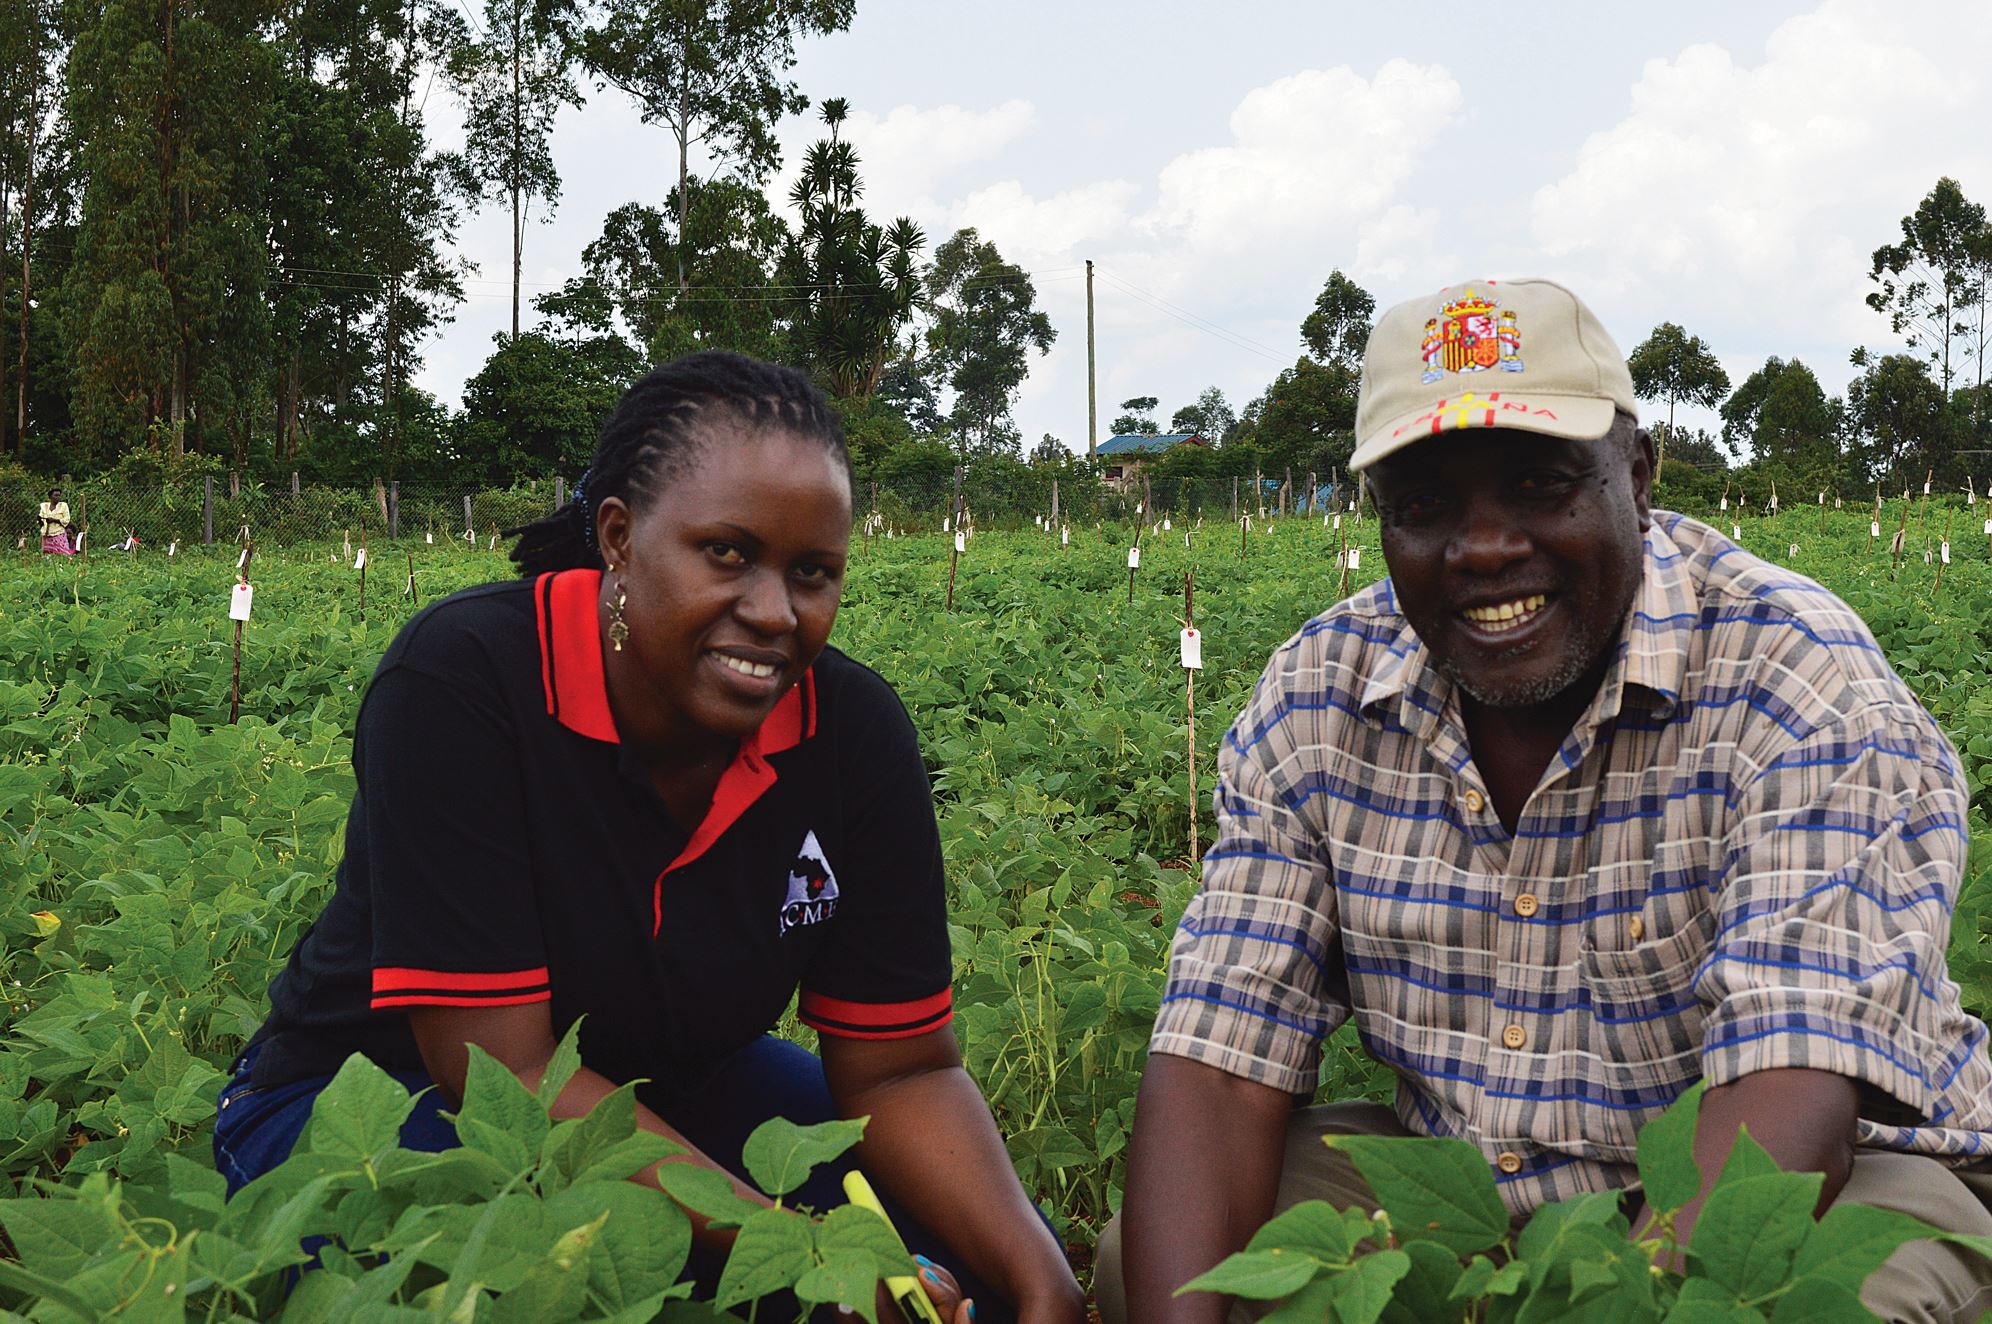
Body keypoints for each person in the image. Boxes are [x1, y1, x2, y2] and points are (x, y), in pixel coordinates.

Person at [1101, 277, 1992, 1324]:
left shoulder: (1795, 676)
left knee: (1816, 1306)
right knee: (1164, 1265)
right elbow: (1217, 1064)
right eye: (1425, 506)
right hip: (1474, 1181)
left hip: (1841, 1166)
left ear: (1639, 474)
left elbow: (1791, 1098)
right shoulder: (1319, 696)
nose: (1483, 548)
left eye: (1538, 482)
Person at [216, 351, 1087, 1324]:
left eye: (812, 571)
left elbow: (903, 1066)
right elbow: (498, 1072)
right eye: (727, 552)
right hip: (374, 1104)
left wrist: (1040, 1278)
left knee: (970, 1267)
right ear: (620, 539)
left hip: (671, 1091)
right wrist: (795, 1252)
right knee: (534, 1285)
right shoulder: (465, 684)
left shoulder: (851, 735)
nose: (773, 611)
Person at [37, 489, 75, 555]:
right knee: (47, 555)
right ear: (50, 497)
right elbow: (40, 521)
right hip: (46, 534)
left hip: (58, 533)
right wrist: (40, 519)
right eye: (55, 495)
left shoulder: (63, 506)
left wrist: (54, 520)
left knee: (63, 554)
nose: (58, 497)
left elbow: (66, 520)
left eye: (59, 495)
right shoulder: (44, 507)